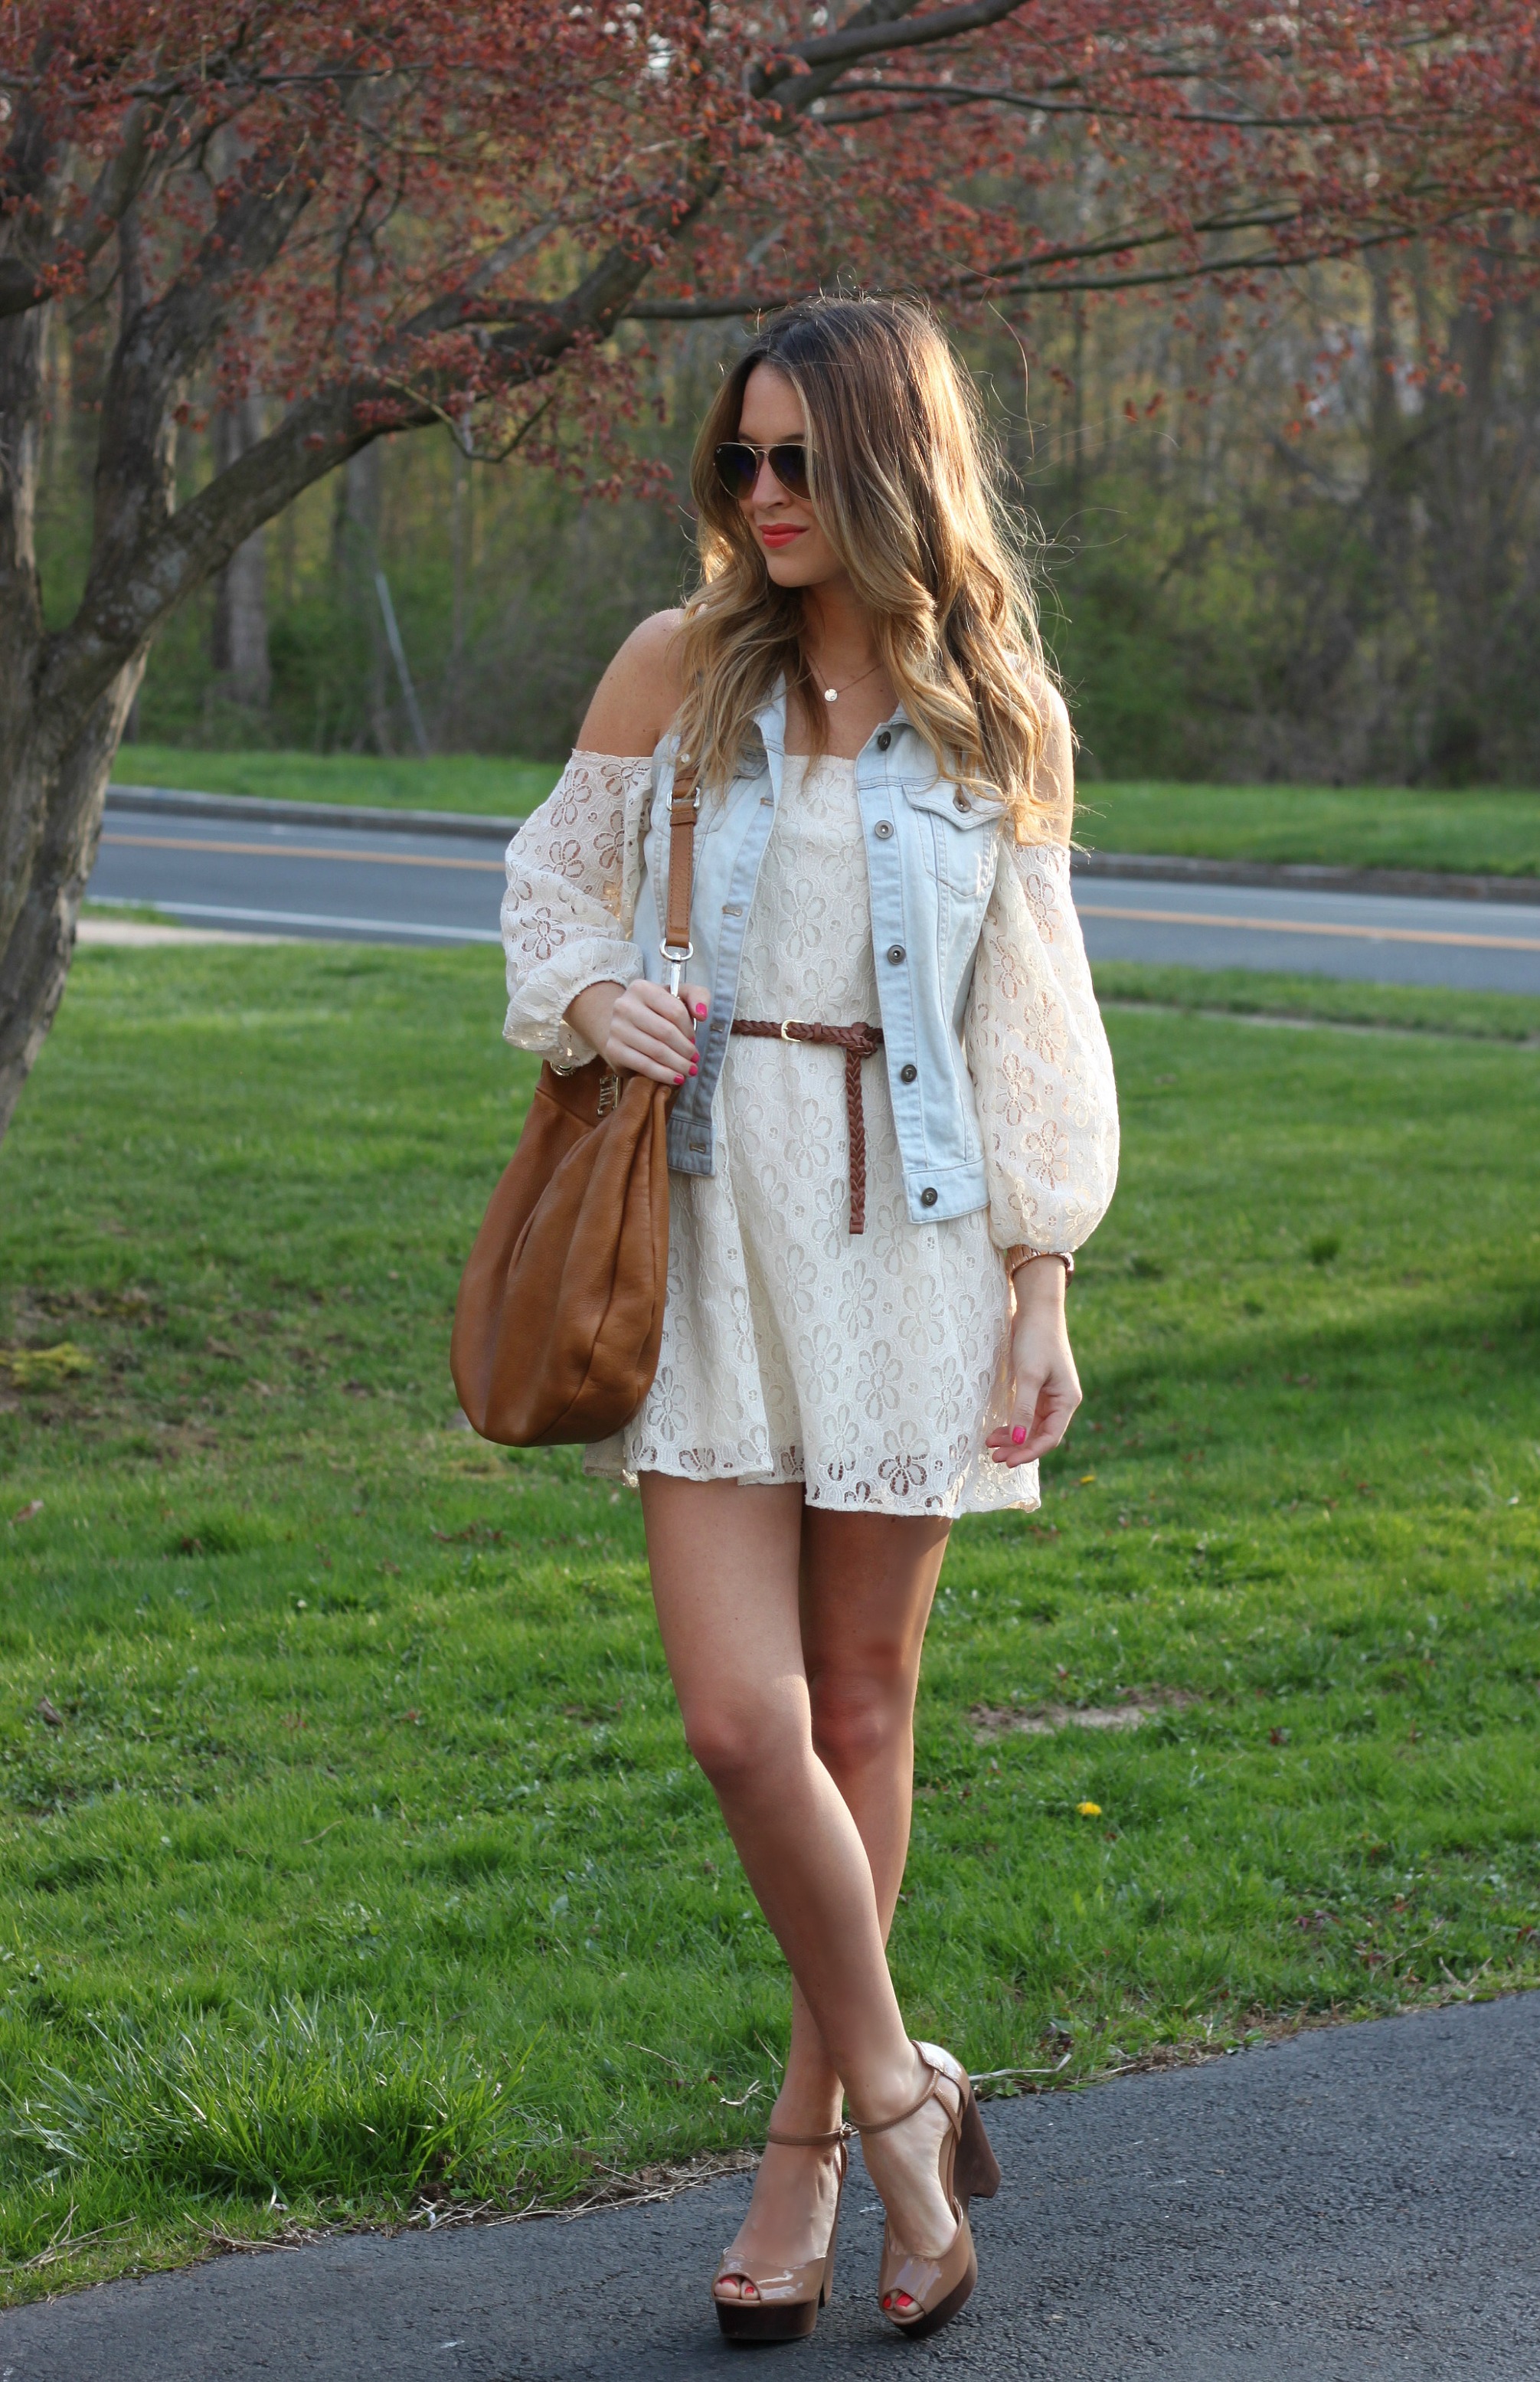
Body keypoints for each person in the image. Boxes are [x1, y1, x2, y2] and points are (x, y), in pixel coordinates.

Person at [499, 295, 1118, 2344]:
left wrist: (1043, 1287)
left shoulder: (985, 710)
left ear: (884, 465)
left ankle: (803, 2161)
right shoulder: (675, 668)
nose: (758, 500)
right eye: (736, 461)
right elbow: (548, 896)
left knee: (857, 1714)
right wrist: (596, 996)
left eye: (797, 464)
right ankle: (897, 2102)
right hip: (703, 1220)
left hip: (909, 1241)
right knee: (733, 1721)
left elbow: (1033, 1021)